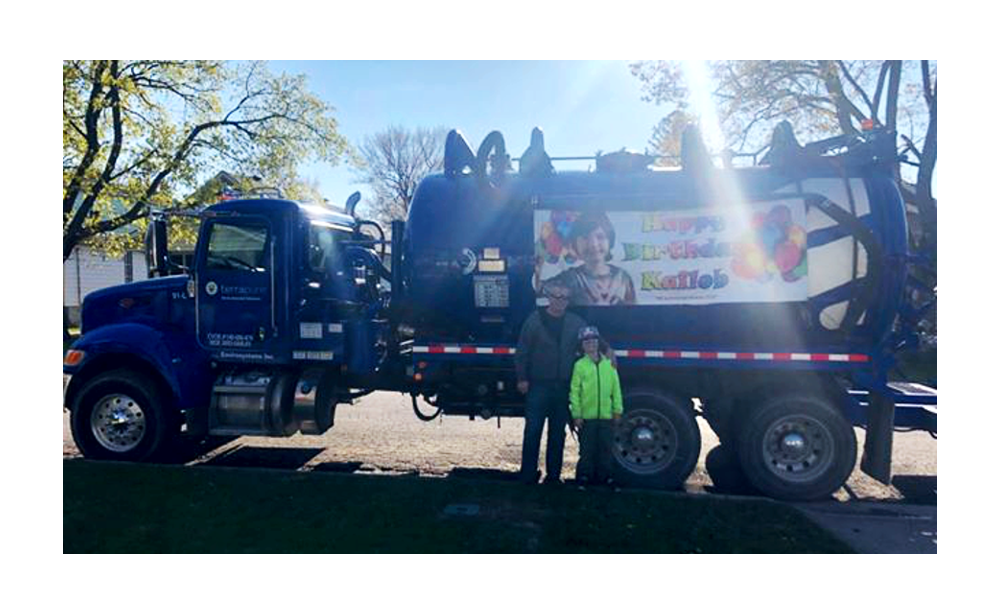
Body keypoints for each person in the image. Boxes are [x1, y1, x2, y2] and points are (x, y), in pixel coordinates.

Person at [515, 282, 588, 485]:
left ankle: (553, 476)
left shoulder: (575, 323)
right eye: (556, 297)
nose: (560, 301)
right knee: (533, 431)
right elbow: (522, 352)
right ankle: (528, 473)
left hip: (562, 387)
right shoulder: (534, 321)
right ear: (548, 297)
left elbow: (592, 337)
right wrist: (522, 378)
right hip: (538, 386)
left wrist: (607, 351)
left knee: (557, 434)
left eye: (564, 298)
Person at [543, 211, 636, 306]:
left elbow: (634, 311)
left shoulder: (623, 277)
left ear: (610, 240)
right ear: (574, 244)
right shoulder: (571, 278)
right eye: (585, 238)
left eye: (600, 237)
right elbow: (540, 289)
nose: (593, 245)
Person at [570, 326, 623, 488]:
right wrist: (577, 414)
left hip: (606, 416)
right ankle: (584, 477)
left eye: (593, 341)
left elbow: (616, 389)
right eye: (586, 342)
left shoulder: (609, 365)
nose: (590, 344)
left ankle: (605, 477)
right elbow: (575, 391)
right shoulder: (580, 366)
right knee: (587, 450)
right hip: (587, 417)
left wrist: (617, 410)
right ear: (582, 346)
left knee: (606, 448)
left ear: (599, 343)